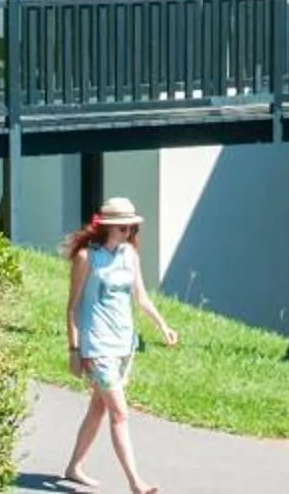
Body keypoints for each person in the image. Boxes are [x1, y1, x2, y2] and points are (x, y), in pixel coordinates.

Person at [61, 195, 178, 492]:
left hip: (124, 345)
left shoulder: (129, 255)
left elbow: (141, 297)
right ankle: (135, 483)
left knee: (98, 409)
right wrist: (74, 350)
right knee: (120, 413)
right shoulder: (87, 258)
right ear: (109, 228)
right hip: (98, 347)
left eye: (132, 229)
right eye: (124, 228)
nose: (130, 234)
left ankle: (74, 467)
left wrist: (163, 326)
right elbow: (72, 308)